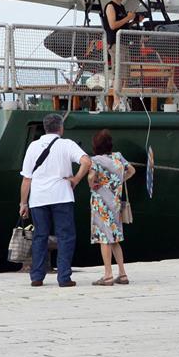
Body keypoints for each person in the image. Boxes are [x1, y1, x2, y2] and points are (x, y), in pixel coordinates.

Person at [19, 114, 91, 287]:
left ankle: (37, 276)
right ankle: (64, 277)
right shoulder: (67, 144)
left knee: (40, 236)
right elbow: (87, 162)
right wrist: (76, 179)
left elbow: (26, 179)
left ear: (45, 127)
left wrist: (23, 203)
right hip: (62, 196)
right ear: (61, 128)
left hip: (38, 198)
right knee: (65, 236)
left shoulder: (33, 146)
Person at [87, 129, 135, 286]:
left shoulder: (95, 160)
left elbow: (91, 177)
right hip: (115, 203)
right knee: (115, 239)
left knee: (104, 239)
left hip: (101, 204)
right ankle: (122, 274)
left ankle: (107, 275)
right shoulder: (118, 157)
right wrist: (118, 181)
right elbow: (132, 170)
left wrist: (92, 184)